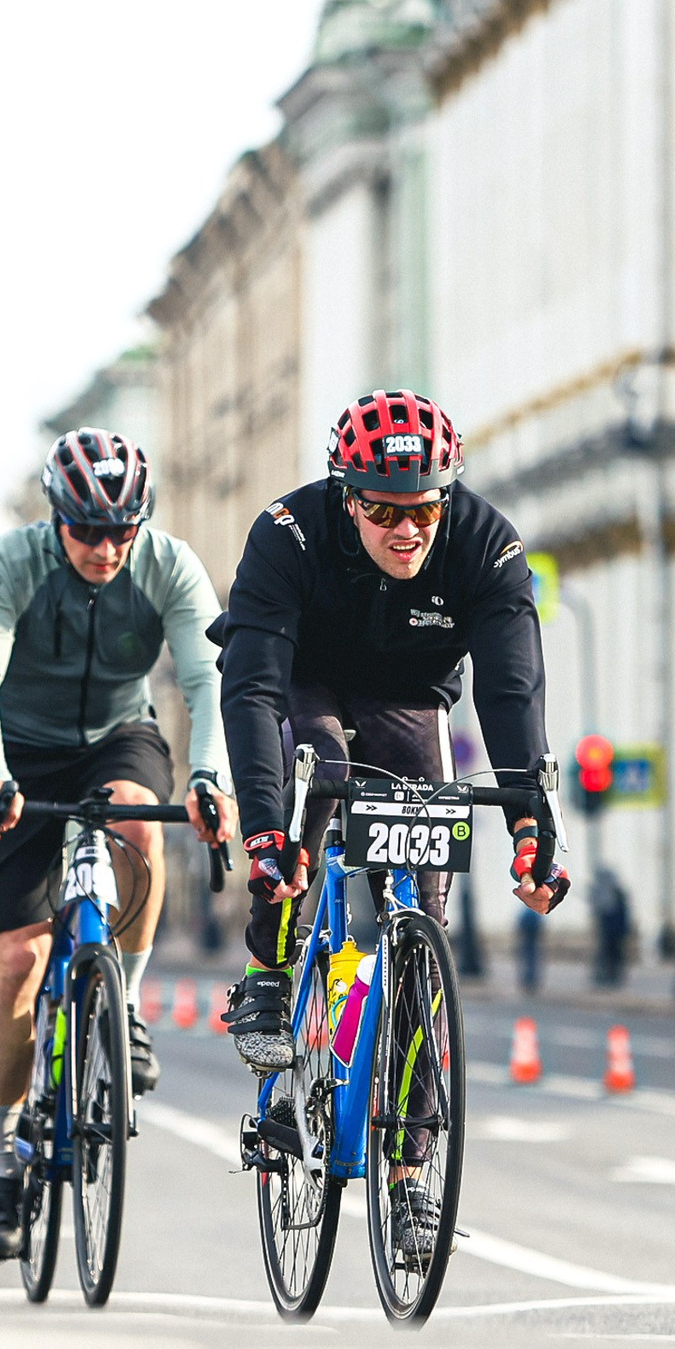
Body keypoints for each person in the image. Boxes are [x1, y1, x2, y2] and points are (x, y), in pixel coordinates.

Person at [215, 389, 571, 1254]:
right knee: (322, 774)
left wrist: (532, 824)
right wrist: (265, 833)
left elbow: (511, 689)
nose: (405, 529)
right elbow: (255, 688)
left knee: (423, 917)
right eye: (381, 509)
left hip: (411, 700)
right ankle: (272, 962)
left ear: (447, 496)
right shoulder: (288, 533)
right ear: (347, 494)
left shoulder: (487, 545)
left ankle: (408, 1180)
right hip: (302, 682)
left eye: (422, 509)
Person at [0, 427, 234, 1263]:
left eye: (123, 531)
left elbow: (207, 674)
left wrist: (210, 775)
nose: (107, 549)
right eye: (88, 531)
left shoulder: (169, 566)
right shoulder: (10, 567)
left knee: (140, 817)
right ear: (56, 518)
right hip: (17, 751)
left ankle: (128, 1002)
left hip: (116, 736)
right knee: (16, 962)